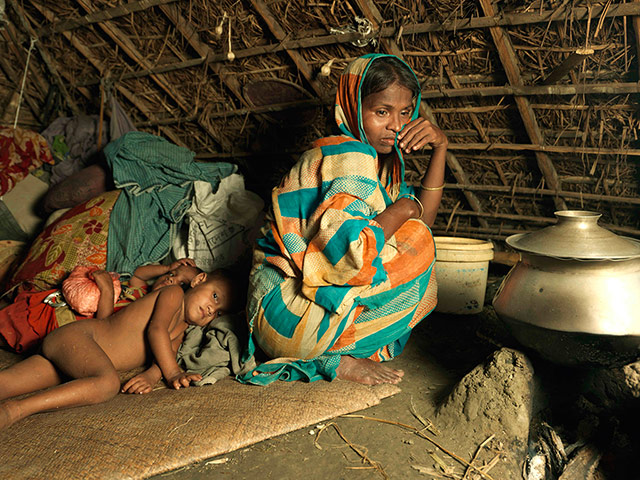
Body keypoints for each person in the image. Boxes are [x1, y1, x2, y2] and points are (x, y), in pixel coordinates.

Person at [238, 53, 448, 386]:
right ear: (352, 106)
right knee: (416, 252)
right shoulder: (351, 156)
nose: (396, 125)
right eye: (382, 112)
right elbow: (347, 255)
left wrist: (441, 148)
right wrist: (406, 208)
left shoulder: (375, 164)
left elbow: (423, 224)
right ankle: (334, 359)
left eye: (405, 112)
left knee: (417, 248)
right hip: (288, 316)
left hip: (276, 319)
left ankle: (330, 349)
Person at [0, 268, 242, 429]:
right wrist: (173, 373)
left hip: (79, 358)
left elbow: (166, 355)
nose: (211, 309)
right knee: (107, 383)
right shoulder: (173, 294)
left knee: (7, 383)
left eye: (218, 312)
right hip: (80, 338)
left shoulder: (183, 329)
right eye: (215, 297)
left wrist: (151, 375)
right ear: (199, 280)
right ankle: (16, 410)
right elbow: (156, 330)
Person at [0, 258, 202, 353]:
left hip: (70, 327)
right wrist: (167, 267)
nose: (170, 280)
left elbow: (106, 325)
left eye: (181, 284)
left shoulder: (147, 312)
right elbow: (138, 273)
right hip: (58, 305)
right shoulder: (142, 291)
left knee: (16, 331)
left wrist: (106, 290)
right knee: (13, 316)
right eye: (171, 276)